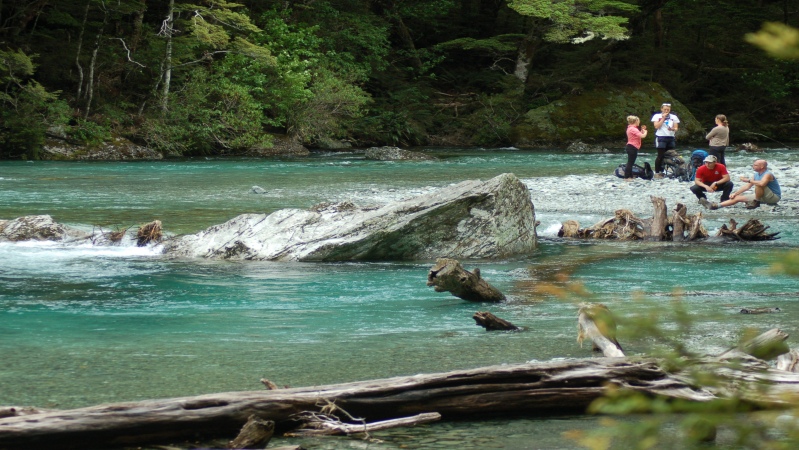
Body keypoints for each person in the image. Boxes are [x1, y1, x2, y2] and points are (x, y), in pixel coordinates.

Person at [712, 159, 781, 210]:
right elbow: (747, 186)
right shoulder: (756, 174)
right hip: (762, 197)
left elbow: (762, 183)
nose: (753, 166)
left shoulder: (768, 174)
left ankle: (756, 202)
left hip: (773, 197)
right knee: (737, 198)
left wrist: (748, 180)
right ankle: (716, 206)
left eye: (755, 165)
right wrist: (735, 193)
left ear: (762, 166)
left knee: (759, 184)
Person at [651, 103, 680, 177]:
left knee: (670, 155)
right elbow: (656, 126)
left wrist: (673, 128)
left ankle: (668, 170)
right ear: (661, 109)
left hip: (670, 137)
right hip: (661, 137)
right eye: (665, 109)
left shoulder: (673, 117)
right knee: (660, 155)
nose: (666, 111)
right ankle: (657, 172)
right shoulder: (657, 116)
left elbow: (676, 128)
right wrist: (663, 118)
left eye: (668, 109)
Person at [623, 115, 648, 180]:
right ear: (636, 121)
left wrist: (642, 130)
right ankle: (627, 177)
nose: (639, 122)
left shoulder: (630, 128)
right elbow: (642, 136)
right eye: (638, 121)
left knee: (631, 162)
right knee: (630, 162)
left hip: (631, 147)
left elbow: (638, 135)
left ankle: (630, 176)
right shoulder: (633, 129)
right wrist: (645, 132)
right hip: (632, 147)